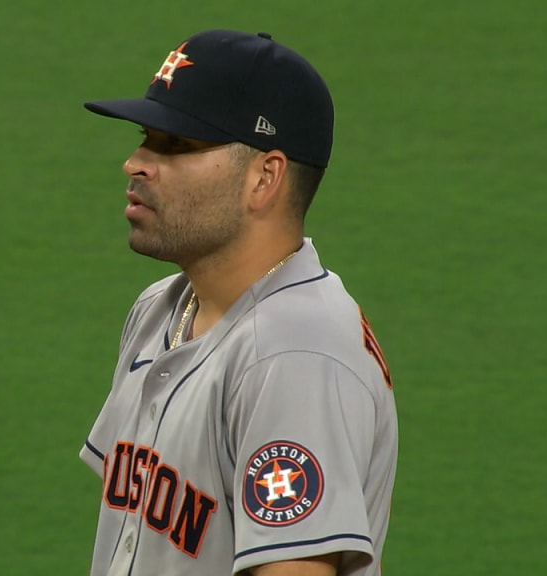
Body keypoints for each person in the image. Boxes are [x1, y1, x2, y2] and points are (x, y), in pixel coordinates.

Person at [78, 30, 398, 576]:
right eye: (145, 137)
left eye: (175, 144)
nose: (135, 163)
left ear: (264, 178)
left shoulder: (296, 357)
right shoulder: (162, 307)